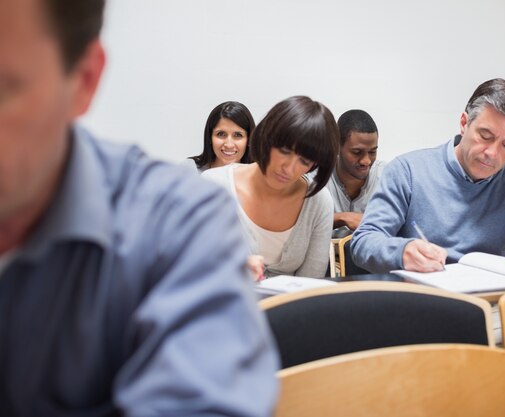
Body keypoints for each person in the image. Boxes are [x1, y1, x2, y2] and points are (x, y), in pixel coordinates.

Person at [0, 0, 278, 415]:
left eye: (6, 88)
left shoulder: (178, 220)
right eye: (222, 134)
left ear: (84, 80)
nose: (229, 144)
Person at [352, 78, 505, 273]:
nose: (492, 153)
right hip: (420, 304)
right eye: (485, 135)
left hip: (488, 305)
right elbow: (364, 242)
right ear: (464, 123)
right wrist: (402, 252)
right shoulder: (408, 171)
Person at [202, 96, 338, 278]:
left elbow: (308, 287)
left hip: (290, 306)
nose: (288, 168)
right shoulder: (214, 185)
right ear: (268, 138)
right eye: (284, 151)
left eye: (304, 161)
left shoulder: (318, 202)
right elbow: (188, 265)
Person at [327, 109, 386, 232]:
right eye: (357, 152)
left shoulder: (387, 177)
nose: (366, 161)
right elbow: (299, 223)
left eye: (372, 152)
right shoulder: (316, 178)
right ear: (337, 146)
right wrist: (343, 218)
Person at [187, 101, 255, 172]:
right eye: (221, 134)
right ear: (210, 137)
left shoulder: (259, 176)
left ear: (249, 139)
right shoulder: (190, 170)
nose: (229, 145)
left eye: (238, 135)